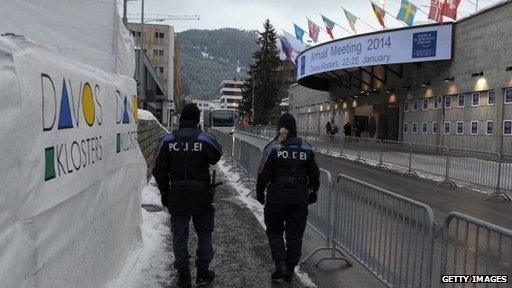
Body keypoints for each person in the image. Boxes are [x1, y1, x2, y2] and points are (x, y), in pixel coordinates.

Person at [153, 104, 223, 288]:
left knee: (179, 235)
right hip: (201, 194)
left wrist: (165, 194)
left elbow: (158, 170)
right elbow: (217, 155)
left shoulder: (167, 140)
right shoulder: (204, 139)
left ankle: (184, 274)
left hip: (177, 193)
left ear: (181, 118)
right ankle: (202, 272)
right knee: (205, 234)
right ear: (196, 119)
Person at [256, 113, 320, 283]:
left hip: (276, 196)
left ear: (280, 128)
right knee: (295, 234)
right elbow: (315, 175)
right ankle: (290, 269)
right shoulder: (306, 148)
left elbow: (262, 173)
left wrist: (260, 192)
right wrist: (313, 193)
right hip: (299, 198)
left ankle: (280, 263)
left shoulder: (273, 147)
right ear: (295, 129)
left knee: (275, 230)